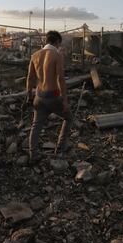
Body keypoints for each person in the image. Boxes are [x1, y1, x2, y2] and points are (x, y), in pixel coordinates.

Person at [26, 30, 72, 164]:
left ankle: (33, 154)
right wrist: (64, 100)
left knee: (36, 125)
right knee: (69, 118)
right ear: (57, 42)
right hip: (53, 96)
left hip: (39, 96)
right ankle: (60, 148)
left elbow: (30, 77)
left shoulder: (35, 55)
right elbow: (60, 78)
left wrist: (29, 95)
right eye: (59, 44)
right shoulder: (57, 55)